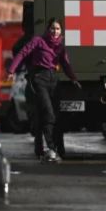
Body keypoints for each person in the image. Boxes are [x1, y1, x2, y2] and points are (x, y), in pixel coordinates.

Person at [7, 19, 79, 162]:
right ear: (48, 29)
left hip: (54, 79)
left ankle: (52, 148)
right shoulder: (38, 41)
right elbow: (22, 53)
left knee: (53, 115)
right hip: (39, 78)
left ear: (61, 31)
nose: (55, 31)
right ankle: (51, 149)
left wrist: (73, 79)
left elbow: (65, 63)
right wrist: (11, 70)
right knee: (49, 113)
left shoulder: (60, 45)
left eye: (58, 29)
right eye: (52, 28)